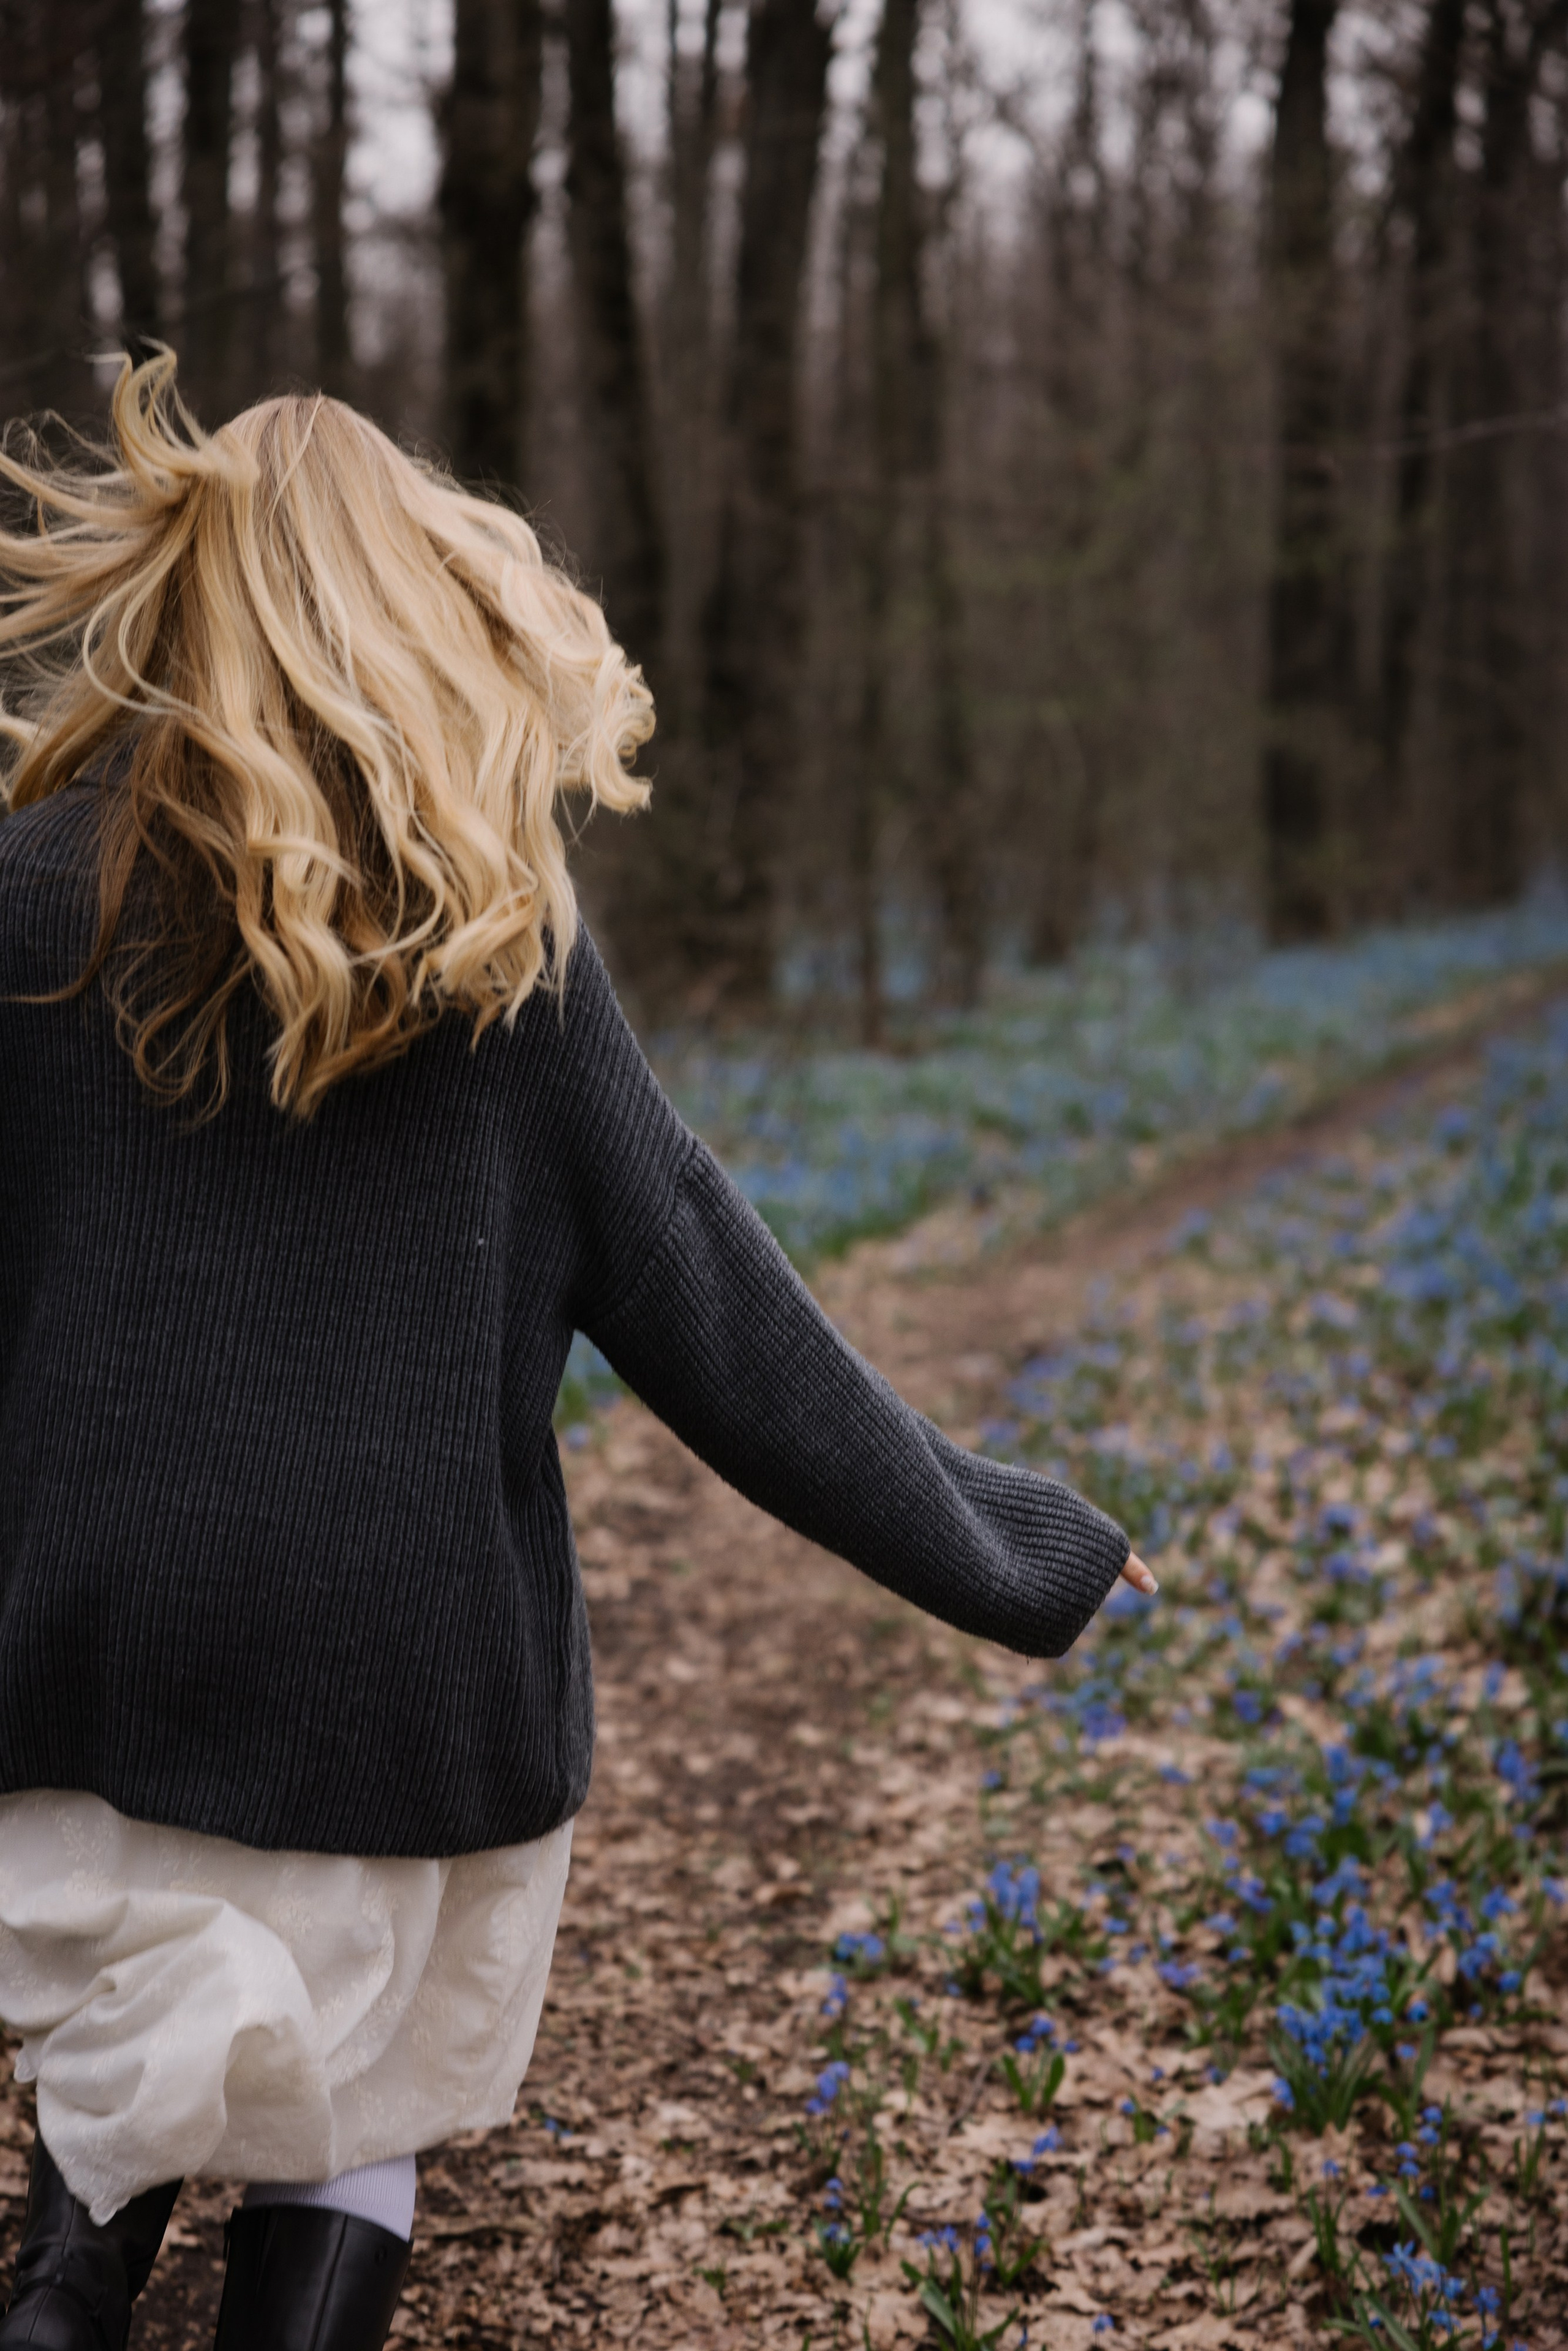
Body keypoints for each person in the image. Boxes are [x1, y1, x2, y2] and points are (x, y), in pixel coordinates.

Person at [0, 355, 1155, 2350]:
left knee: (140, 2004)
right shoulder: (495, 941)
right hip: (398, 1661)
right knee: (355, 2091)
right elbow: (713, 1307)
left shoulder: (24, 907)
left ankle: (63, 2284)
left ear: (173, 592)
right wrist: (1011, 1543)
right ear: (417, 602)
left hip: (89, 1620)